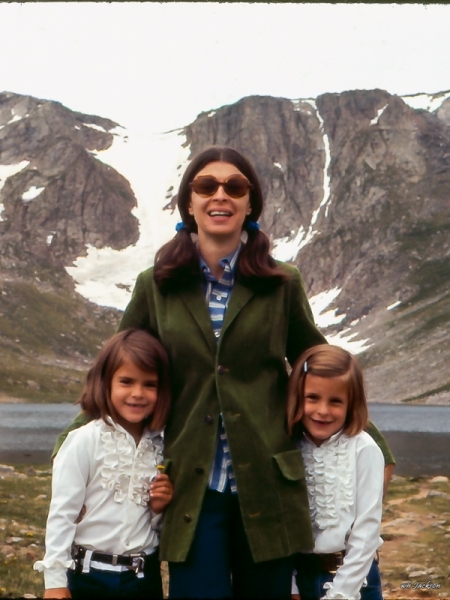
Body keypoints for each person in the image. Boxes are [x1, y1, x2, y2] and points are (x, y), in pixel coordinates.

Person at [53, 146, 393, 599]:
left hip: (269, 482)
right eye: (206, 186)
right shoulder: (155, 284)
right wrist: (69, 441)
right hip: (192, 488)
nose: (221, 195)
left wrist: (373, 439)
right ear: (189, 204)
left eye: (235, 187)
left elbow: (316, 359)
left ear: (249, 203)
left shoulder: (280, 282)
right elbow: (114, 368)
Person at [34, 329, 173, 600]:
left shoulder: (162, 445)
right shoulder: (84, 440)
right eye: (126, 381)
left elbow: (150, 524)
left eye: (150, 384)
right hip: (87, 578)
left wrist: (158, 509)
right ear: (105, 382)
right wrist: (54, 581)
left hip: (143, 579)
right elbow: (62, 513)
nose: (137, 393)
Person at [287, 344, 384, 600]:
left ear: (351, 403)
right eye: (312, 398)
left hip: (355, 580)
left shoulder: (364, 449)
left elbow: (367, 529)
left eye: (335, 401)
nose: (323, 410)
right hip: (300, 577)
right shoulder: (287, 447)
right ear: (297, 396)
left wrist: (341, 593)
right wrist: (291, 586)